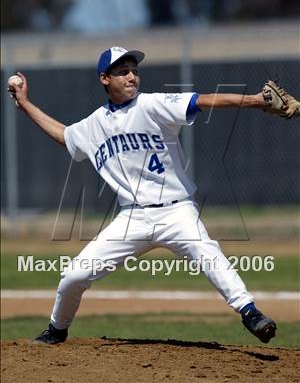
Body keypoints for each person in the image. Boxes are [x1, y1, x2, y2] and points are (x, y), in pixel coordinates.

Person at [9, 46, 276, 345]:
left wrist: (255, 100)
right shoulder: (94, 124)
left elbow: (205, 100)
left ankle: (250, 312)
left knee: (208, 255)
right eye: (123, 72)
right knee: (73, 276)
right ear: (104, 79)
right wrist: (25, 104)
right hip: (132, 218)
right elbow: (63, 135)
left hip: (177, 212)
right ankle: (56, 330)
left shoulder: (151, 105)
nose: (132, 76)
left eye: (135, 71)